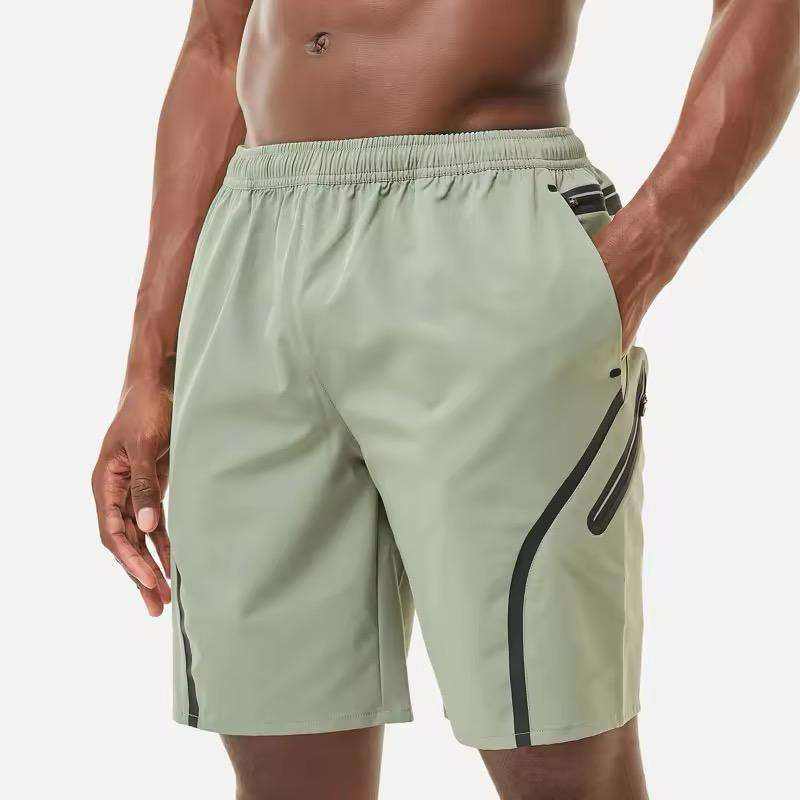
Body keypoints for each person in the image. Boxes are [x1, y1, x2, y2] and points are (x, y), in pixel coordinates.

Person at [91, 2, 799, 798]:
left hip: (483, 224)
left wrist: (645, 250)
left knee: (558, 757)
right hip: (252, 250)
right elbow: (217, 46)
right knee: (276, 751)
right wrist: (148, 365)